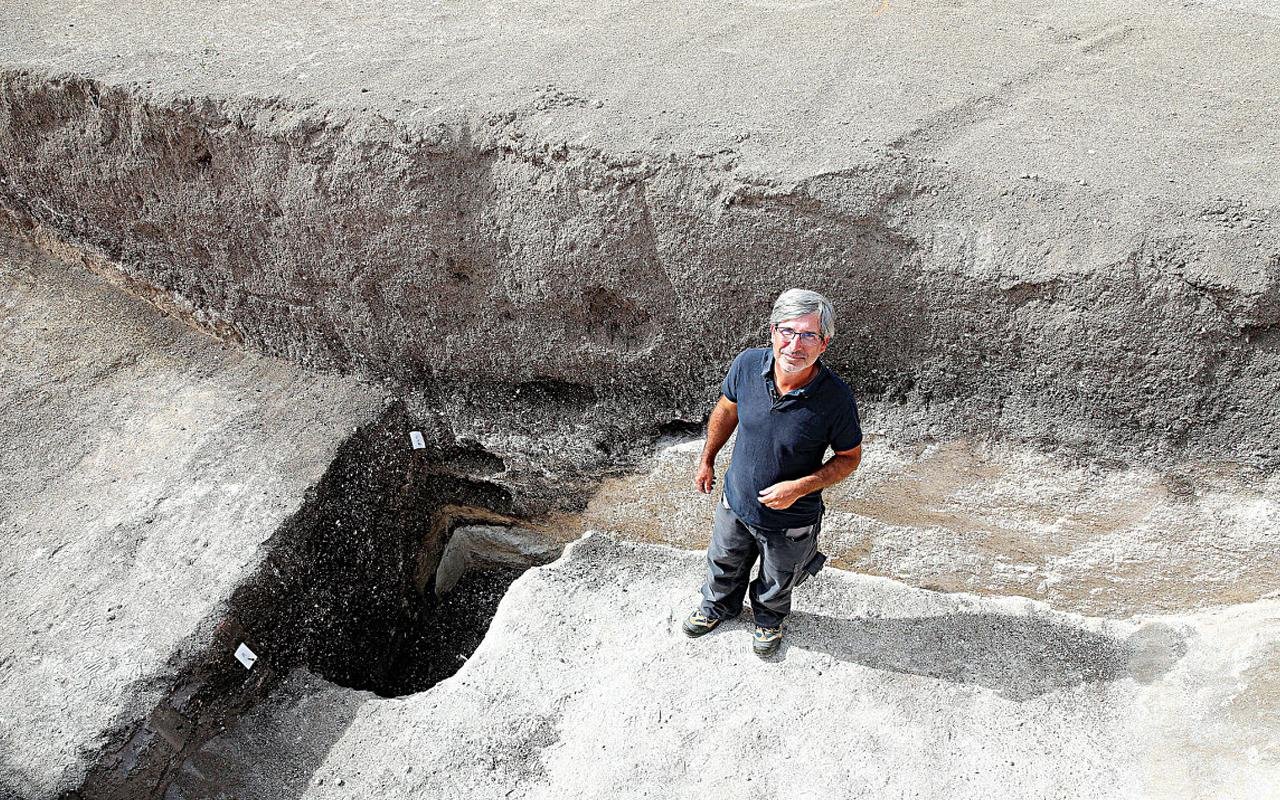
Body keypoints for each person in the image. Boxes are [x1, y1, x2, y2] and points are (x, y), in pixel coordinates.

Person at [683, 288, 863, 658]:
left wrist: (800, 487)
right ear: (772, 331)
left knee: (778, 579)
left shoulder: (836, 399)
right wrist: (708, 458)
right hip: (736, 501)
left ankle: (768, 620)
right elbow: (727, 410)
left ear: (824, 344)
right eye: (788, 331)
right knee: (722, 562)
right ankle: (718, 607)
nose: (796, 345)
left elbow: (849, 457)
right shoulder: (747, 364)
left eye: (809, 335)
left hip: (791, 518)